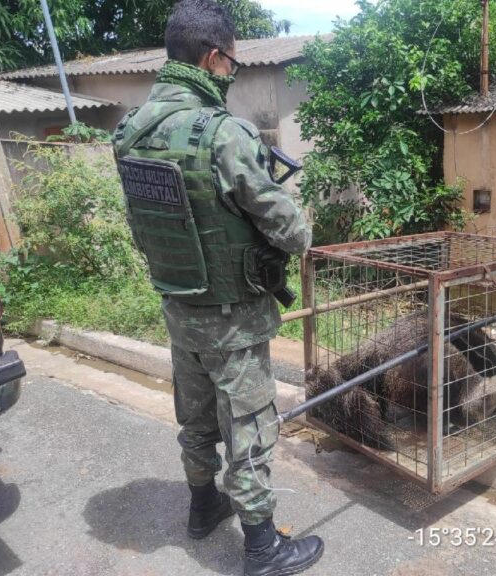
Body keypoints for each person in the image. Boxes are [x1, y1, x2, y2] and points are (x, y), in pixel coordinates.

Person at [111, 1, 323, 574]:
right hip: (232, 316)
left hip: (180, 306)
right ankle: (262, 548)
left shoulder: (130, 129)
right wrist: (297, 227)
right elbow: (291, 230)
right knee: (250, 424)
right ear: (212, 57)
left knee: (197, 417)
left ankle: (204, 507)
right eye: (232, 62)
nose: (232, 73)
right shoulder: (224, 134)